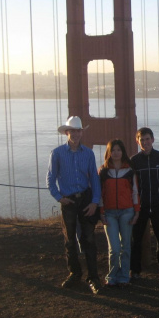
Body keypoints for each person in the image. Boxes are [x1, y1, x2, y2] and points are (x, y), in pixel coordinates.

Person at [46, 116, 102, 295]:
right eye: (73, 130)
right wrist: (59, 197)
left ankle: (93, 278)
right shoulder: (57, 154)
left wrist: (95, 202)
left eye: (79, 130)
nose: (76, 134)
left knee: (89, 239)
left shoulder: (89, 153)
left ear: (81, 132)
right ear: (67, 132)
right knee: (69, 240)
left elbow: (94, 178)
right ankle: (75, 273)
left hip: (85, 199)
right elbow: (50, 178)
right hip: (68, 201)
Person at [130, 127, 159, 281]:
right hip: (140, 207)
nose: (145, 142)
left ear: (153, 140)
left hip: (158, 205)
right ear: (138, 141)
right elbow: (130, 185)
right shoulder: (134, 161)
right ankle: (135, 270)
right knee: (136, 239)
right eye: (142, 140)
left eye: (147, 139)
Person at [99, 139, 140, 288]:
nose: (116, 153)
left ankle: (124, 276)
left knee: (126, 246)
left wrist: (136, 212)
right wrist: (101, 212)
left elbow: (135, 192)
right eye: (113, 150)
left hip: (127, 212)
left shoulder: (129, 171)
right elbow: (100, 195)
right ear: (109, 153)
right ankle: (112, 275)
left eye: (118, 150)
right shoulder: (103, 171)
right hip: (109, 213)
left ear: (123, 152)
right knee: (114, 248)